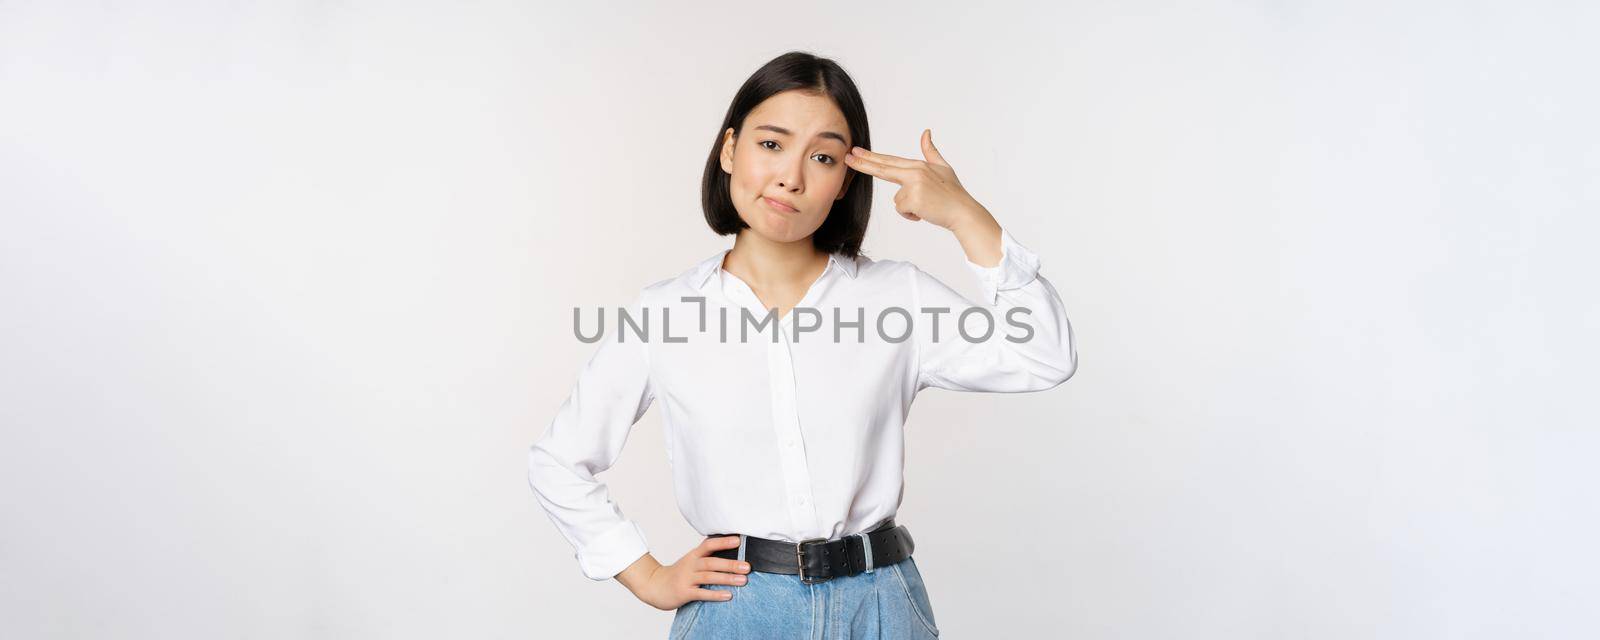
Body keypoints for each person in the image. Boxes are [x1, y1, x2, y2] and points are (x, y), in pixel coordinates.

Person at [527, 50, 1078, 639]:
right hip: (738, 611)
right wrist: (645, 575)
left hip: (882, 607)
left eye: (822, 157)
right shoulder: (664, 315)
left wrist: (967, 217)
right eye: (771, 144)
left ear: (845, 181)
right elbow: (559, 461)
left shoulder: (896, 298)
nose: (792, 176)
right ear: (730, 148)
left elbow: (1044, 353)